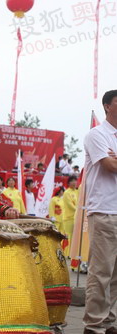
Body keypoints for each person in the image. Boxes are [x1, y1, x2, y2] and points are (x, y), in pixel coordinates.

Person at [82, 89, 117, 334]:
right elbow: (109, 165)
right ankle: (93, 325)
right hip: (104, 211)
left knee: (115, 276)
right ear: (107, 106)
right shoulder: (97, 134)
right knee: (101, 271)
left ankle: (108, 321)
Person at [61, 175, 78, 256]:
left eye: (75, 180)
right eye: (72, 181)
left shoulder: (77, 192)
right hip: (68, 218)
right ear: (68, 183)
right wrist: (79, 210)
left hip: (77, 217)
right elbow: (70, 205)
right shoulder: (66, 193)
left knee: (74, 237)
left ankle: (72, 254)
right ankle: (65, 253)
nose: (74, 182)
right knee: (69, 236)